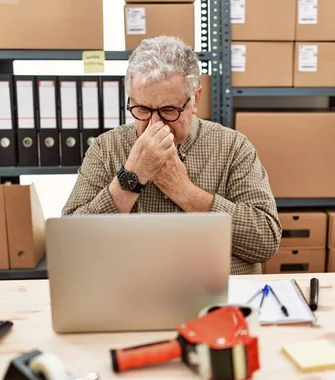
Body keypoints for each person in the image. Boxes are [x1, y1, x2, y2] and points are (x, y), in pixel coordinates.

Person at [62, 36, 281, 274]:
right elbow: (73, 245)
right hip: (131, 295)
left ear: (195, 99)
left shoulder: (233, 147)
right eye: (142, 110)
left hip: (215, 299)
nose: (155, 124)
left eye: (169, 110)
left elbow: (265, 241)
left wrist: (184, 191)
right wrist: (131, 177)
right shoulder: (106, 148)